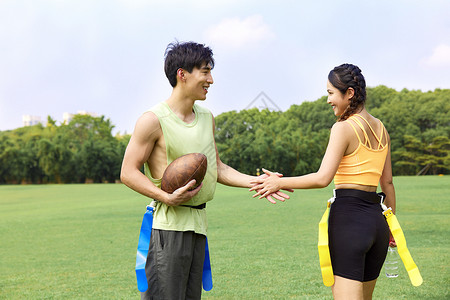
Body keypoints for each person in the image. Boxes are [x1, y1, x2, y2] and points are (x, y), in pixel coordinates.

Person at [120, 41, 289, 300]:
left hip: (198, 226)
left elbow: (217, 168)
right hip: (169, 228)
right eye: (205, 71)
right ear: (182, 74)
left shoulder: (206, 117)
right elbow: (128, 172)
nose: (211, 79)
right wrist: (165, 197)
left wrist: (259, 181)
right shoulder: (152, 120)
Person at [250, 63, 396, 300]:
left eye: (331, 93)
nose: (328, 100)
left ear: (349, 93)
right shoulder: (381, 128)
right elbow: (387, 183)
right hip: (378, 222)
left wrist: (279, 182)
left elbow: (322, 178)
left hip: (350, 221)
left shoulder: (343, 128)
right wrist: (391, 228)